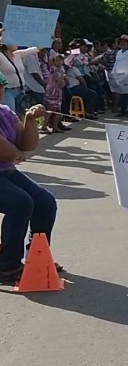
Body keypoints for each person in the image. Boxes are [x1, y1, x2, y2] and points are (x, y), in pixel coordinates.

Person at [0, 80, 58, 282]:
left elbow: (28, 144)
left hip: (5, 171)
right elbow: (6, 152)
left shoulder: (5, 111)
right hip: (5, 168)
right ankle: (7, 265)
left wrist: (30, 119)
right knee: (20, 203)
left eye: (0, 86)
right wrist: (16, 153)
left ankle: (37, 256)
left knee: (46, 202)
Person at [110, 34, 128, 118]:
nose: (122, 44)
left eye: (124, 42)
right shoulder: (119, 52)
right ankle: (122, 110)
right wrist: (112, 73)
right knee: (121, 94)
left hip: (127, 75)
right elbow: (116, 63)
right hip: (119, 75)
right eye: (121, 42)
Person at [45, 54, 67, 133]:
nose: (59, 62)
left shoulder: (61, 69)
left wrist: (63, 78)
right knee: (50, 109)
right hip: (52, 91)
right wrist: (63, 77)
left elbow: (63, 82)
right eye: (57, 60)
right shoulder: (53, 68)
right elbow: (58, 78)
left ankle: (55, 126)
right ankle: (44, 126)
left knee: (57, 109)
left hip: (58, 91)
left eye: (60, 60)